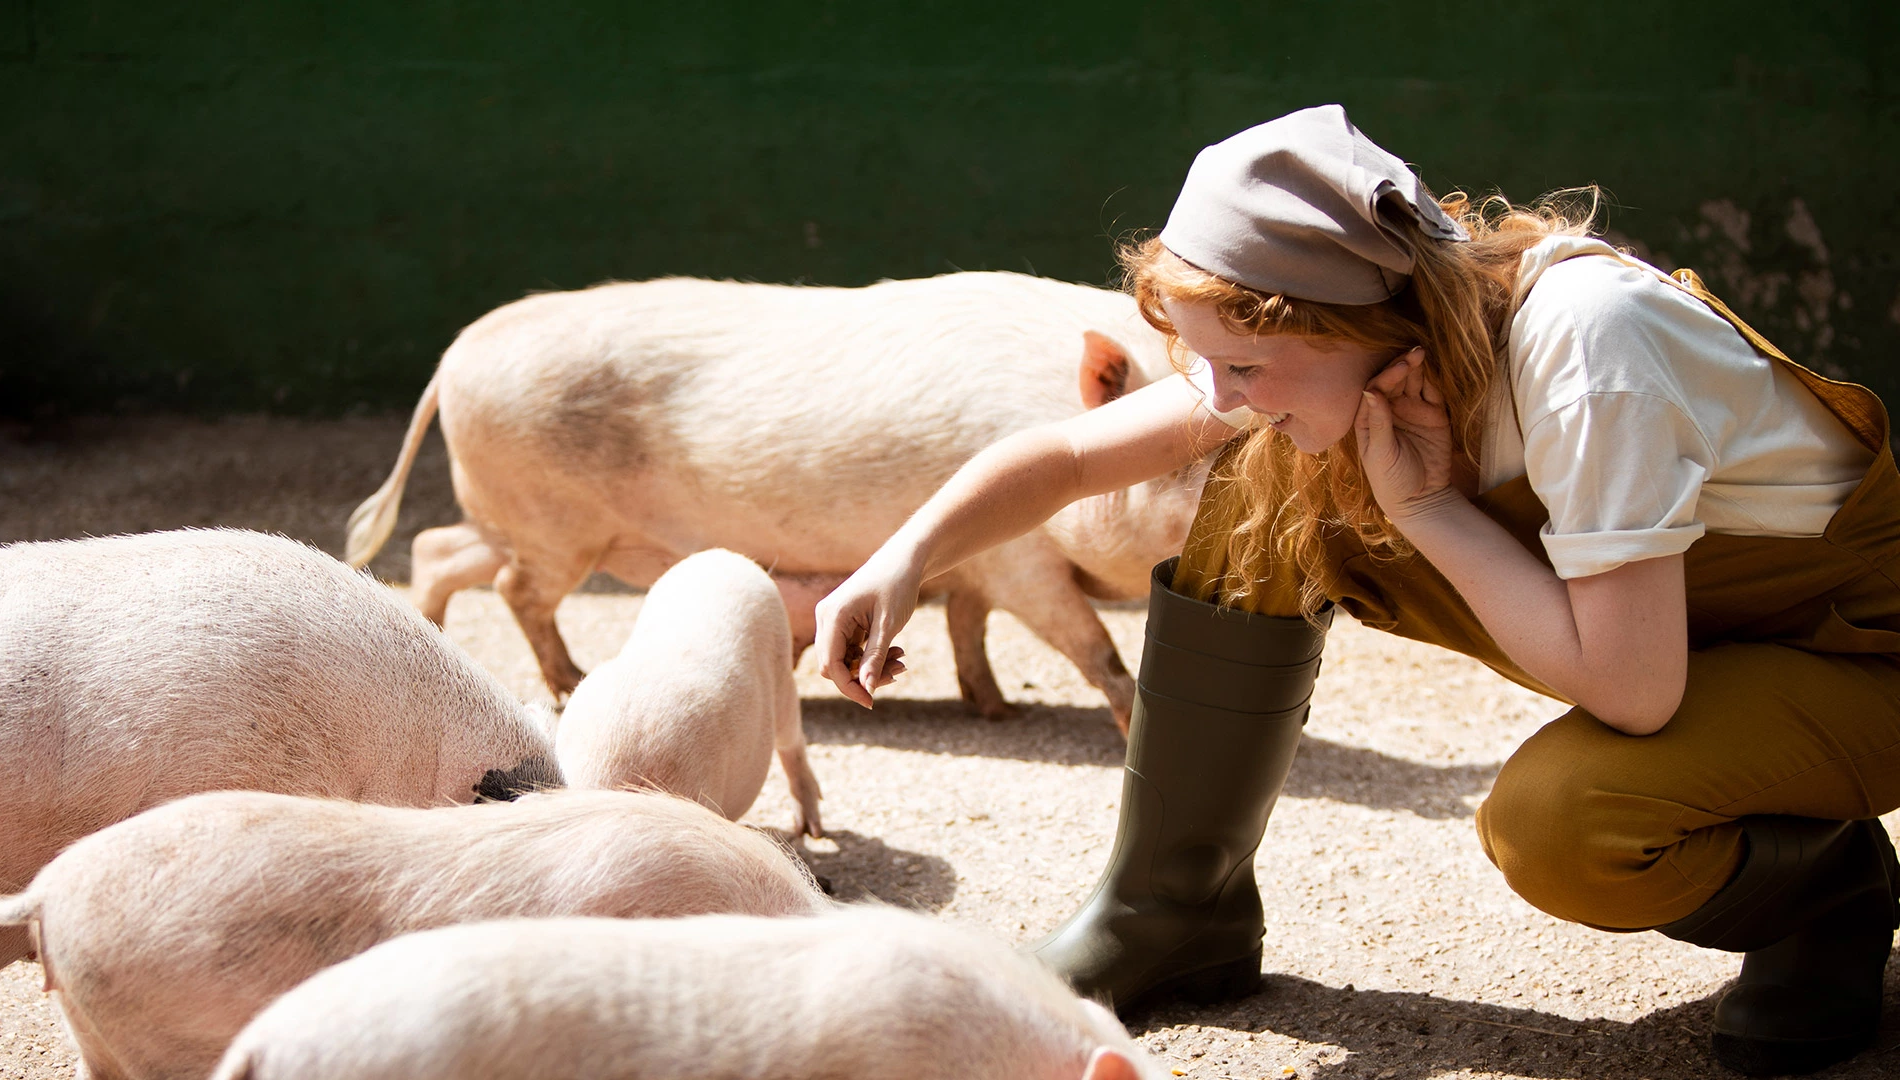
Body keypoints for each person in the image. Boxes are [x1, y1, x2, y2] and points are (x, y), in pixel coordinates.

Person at [814, 104, 1900, 1077]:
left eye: (1243, 367)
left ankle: (1827, 889)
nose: (1223, 395)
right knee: (1260, 475)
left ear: (1335, 324)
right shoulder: (1364, 344)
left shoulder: (1586, 341)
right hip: (1681, 637)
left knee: (1566, 827)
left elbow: (1635, 693)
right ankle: (1169, 908)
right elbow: (1071, 455)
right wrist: (902, 558)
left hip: (1852, 659)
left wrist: (1431, 514)